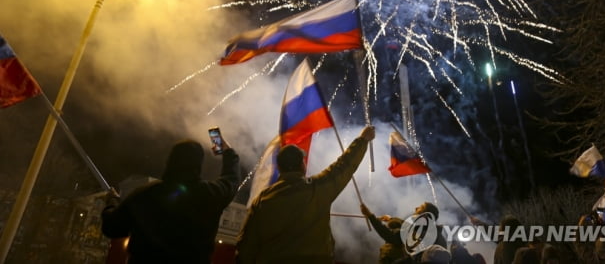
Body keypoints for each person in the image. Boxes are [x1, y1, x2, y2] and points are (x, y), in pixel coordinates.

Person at [235, 125, 375, 263]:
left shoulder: (261, 200)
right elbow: (343, 166)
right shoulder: (316, 189)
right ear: (302, 164)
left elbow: (246, 246)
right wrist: (363, 140)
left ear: (279, 167)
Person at [101, 137, 240, 263]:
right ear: (198, 164)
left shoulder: (146, 194)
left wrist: (112, 202)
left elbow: (112, 227)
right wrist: (226, 150)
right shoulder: (210, 195)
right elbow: (232, 179)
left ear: (170, 161)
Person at [360, 200, 448, 263]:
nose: (415, 208)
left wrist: (370, 216)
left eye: (420, 208)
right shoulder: (435, 233)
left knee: (388, 249)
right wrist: (391, 219)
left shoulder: (418, 234)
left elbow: (390, 236)